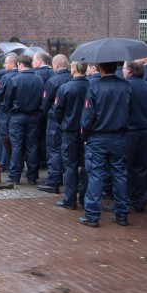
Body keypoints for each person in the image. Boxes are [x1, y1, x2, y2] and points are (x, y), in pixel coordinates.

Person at [79, 61, 132, 227]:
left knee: (96, 174)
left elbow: (88, 116)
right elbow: (131, 110)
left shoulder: (94, 87)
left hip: (98, 137)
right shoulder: (126, 86)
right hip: (119, 136)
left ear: (101, 68)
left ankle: (93, 214)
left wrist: (85, 135)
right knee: (120, 174)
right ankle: (122, 213)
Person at [54, 60, 89, 210]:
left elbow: (58, 110)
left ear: (73, 70)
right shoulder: (91, 86)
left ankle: (70, 198)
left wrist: (62, 123)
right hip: (87, 131)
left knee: (70, 165)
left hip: (70, 130)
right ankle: (85, 197)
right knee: (87, 166)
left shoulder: (65, 88)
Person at [4, 54, 43, 185]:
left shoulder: (15, 80)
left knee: (17, 146)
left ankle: (15, 175)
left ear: (21, 65)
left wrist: (10, 109)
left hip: (18, 116)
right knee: (32, 146)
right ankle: (32, 176)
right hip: (33, 116)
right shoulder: (39, 79)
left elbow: (8, 99)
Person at [122, 60, 147, 214]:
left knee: (124, 168)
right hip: (145, 131)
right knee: (141, 168)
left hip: (129, 132)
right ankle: (139, 201)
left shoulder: (127, 87)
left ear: (129, 70)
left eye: (123, 68)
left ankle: (123, 202)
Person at [38, 54, 72, 194]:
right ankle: (64, 179)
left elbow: (45, 103)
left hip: (54, 119)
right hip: (70, 120)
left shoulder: (52, 81)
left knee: (54, 150)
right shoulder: (73, 79)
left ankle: (53, 181)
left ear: (56, 65)